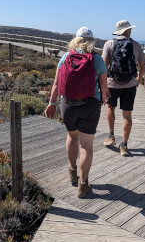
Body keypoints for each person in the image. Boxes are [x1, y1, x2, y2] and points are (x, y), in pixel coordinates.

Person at [45, 27, 108, 198]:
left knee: (72, 137)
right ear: (92, 41)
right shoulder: (97, 59)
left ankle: (72, 171)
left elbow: (56, 84)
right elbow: (103, 83)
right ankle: (83, 184)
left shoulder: (66, 57)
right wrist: (103, 98)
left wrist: (51, 103)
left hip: (68, 104)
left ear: (76, 40)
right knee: (86, 145)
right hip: (90, 105)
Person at [102, 20, 145, 156]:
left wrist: (104, 85)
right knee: (127, 115)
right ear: (127, 31)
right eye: (130, 29)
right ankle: (124, 145)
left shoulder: (109, 44)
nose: (131, 31)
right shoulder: (136, 45)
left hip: (112, 84)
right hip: (130, 85)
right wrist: (138, 80)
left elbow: (104, 66)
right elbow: (143, 67)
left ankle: (111, 136)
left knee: (110, 108)